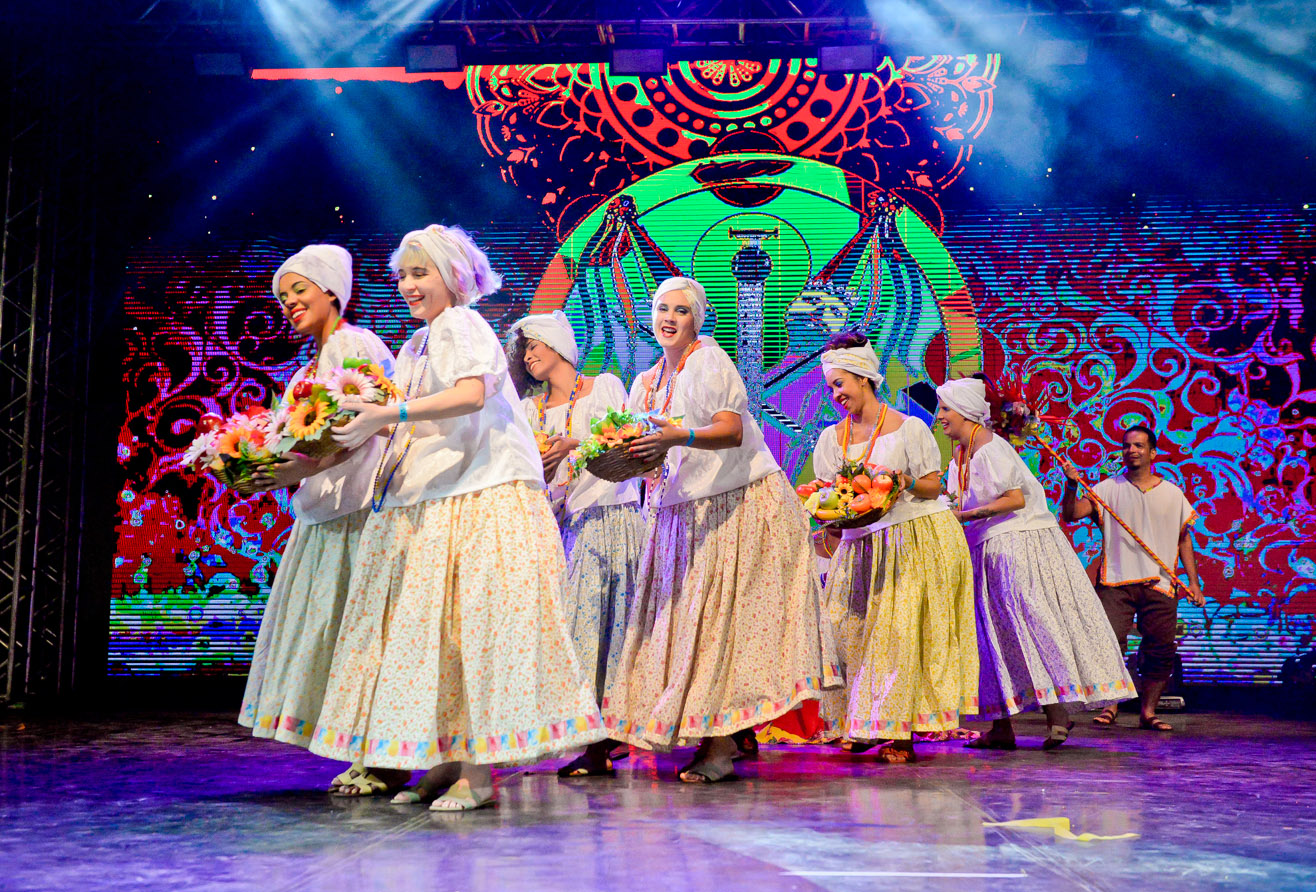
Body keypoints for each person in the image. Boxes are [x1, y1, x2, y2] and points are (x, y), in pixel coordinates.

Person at [308, 225, 604, 810]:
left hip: (482, 495)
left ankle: (478, 770)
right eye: (403, 275)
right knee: (436, 634)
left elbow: (470, 395)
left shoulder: (464, 325)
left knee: (479, 631)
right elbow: (420, 415)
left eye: (421, 272)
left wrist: (382, 412)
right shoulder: (421, 342)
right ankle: (443, 761)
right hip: (437, 497)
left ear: (455, 276)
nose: (409, 284)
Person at [601, 276, 841, 784]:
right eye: (662, 308)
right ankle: (719, 738)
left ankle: (718, 748)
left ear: (697, 319)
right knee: (690, 626)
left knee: (716, 626)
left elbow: (730, 430)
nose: (669, 318)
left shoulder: (709, 361)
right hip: (680, 511)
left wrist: (677, 435)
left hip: (737, 504)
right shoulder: (646, 382)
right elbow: (652, 449)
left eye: (681, 311)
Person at [235, 244, 398, 795]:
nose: (289, 303)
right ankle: (362, 748)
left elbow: (363, 427)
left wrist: (292, 470)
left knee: (362, 633)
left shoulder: (354, 345)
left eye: (299, 289)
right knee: (335, 634)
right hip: (324, 509)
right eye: (282, 296)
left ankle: (382, 755)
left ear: (331, 289)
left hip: (357, 508)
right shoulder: (311, 363)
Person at [937, 377, 1136, 751]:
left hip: (1019, 543)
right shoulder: (962, 455)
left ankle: (1057, 713)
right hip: (986, 547)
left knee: (1032, 622)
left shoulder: (991, 449)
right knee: (994, 636)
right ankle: (1001, 726)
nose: (941, 417)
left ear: (965, 411)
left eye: (946, 409)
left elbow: (1012, 499)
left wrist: (965, 515)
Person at [812, 332, 976, 763]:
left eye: (840, 384)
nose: (836, 395)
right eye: (831, 387)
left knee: (899, 637)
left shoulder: (910, 428)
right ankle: (864, 723)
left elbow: (932, 485)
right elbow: (834, 497)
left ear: (864, 378)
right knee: (847, 634)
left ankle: (899, 732)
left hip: (913, 539)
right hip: (861, 544)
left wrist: (900, 481)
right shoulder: (832, 438)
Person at [506, 310, 645, 778]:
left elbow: (625, 443)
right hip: (565, 527)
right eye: (523, 351)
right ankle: (584, 734)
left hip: (613, 516)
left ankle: (605, 738)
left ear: (558, 344)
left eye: (534, 345)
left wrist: (573, 445)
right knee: (577, 632)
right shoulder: (529, 411)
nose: (528, 357)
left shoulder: (603, 385)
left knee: (615, 630)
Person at [1060, 424, 1205, 731]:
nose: (1132, 450)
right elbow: (1071, 515)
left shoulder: (1172, 493)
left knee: (1161, 649)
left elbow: (1183, 540)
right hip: (1116, 581)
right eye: (1127, 446)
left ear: (1152, 453)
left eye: (1139, 446)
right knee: (1109, 643)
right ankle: (1110, 705)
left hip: (1160, 584)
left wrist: (1193, 582)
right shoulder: (1107, 489)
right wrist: (1071, 485)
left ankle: (1148, 712)